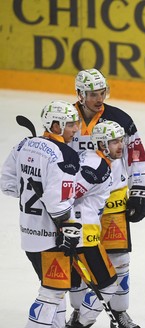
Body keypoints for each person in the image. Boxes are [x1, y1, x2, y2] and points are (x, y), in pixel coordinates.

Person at [67, 68, 145, 328]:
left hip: (114, 200)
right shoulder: (68, 119)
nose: (99, 98)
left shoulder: (120, 119)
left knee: (120, 261)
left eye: (102, 92)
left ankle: (119, 313)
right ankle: (79, 314)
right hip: (78, 202)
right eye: (92, 94)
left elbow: (136, 156)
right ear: (80, 94)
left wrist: (139, 190)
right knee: (79, 262)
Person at [1, 100, 81, 328]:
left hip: (29, 232)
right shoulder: (65, 154)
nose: (76, 129)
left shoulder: (23, 144)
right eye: (71, 124)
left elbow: (7, 184)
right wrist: (69, 229)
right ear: (55, 126)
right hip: (51, 236)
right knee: (53, 292)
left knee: (56, 288)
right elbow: (58, 203)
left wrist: (29, 193)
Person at [66, 120, 128, 327]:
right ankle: (80, 324)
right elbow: (70, 196)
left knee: (101, 282)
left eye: (121, 140)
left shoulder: (94, 159)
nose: (120, 146)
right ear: (102, 144)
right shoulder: (97, 166)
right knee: (108, 285)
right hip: (84, 234)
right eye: (114, 142)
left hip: (81, 231)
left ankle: (79, 321)